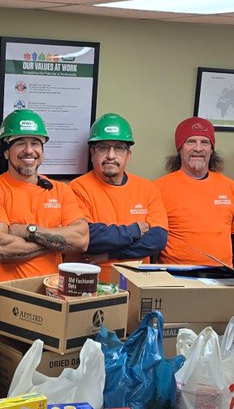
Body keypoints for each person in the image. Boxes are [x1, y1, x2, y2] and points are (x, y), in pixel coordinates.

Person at [0, 110, 88, 317]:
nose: (29, 150)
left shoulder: (61, 190)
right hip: (0, 307)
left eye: (35, 143)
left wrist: (27, 231)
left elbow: (81, 240)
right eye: (20, 143)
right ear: (6, 152)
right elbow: (0, 248)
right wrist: (56, 241)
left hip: (51, 303)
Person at [69, 113, 167, 283]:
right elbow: (88, 239)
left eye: (119, 148)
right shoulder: (76, 188)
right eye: (103, 148)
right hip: (91, 284)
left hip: (138, 284)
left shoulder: (147, 189)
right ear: (92, 152)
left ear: (128, 154)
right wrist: (135, 231)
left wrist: (110, 254)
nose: (111, 155)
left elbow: (157, 240)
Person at [155, 117, 234, 272]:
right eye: (191, 141)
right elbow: (152, 244)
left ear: (211, 149)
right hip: (175, 278)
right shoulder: (158, 189)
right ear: (180, 148)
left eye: (204, 142)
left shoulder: (231, 188)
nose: (198, 148)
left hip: (221, 279)